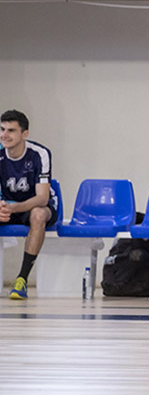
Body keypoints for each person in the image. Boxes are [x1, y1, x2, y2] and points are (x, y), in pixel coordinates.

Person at [0, 110, 58, 300]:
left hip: (36, 206)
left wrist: (13, 207)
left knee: (38, 215)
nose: (4, 135)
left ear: (24, 134)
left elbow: (42, 198)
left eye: (11, 130)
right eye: (1, 129)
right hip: (8, 206)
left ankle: (21, 280)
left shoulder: (39, 154)